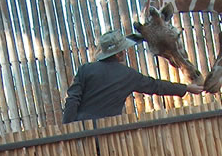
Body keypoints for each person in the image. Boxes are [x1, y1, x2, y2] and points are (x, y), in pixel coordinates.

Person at [61, 29, 204, 123]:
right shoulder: (127, 75)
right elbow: (156, 86)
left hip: (82, 130)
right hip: (109, 132)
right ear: (118, 54)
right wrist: (186, 88)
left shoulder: (85, 70)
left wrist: (68, 128)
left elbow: (72, 99)